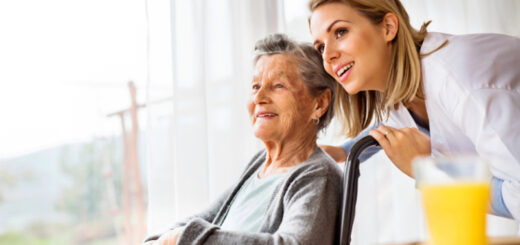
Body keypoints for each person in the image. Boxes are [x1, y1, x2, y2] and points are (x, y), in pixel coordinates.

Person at [308, 0, 520, 221]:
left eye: (340, 32)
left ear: (388, 27)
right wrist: (345, 152)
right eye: (320, 47)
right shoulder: (403, 89)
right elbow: (391, 126)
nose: (327, 56)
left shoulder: (458, 80)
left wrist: (430, 171)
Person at [143, 34, 342, 245]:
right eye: (256, 86)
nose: (258, 98)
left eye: (278, 86)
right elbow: (204, 219)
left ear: (319, 104)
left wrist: (183, 239)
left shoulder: (318, 176)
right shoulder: (260, 164)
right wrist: (159, 240)